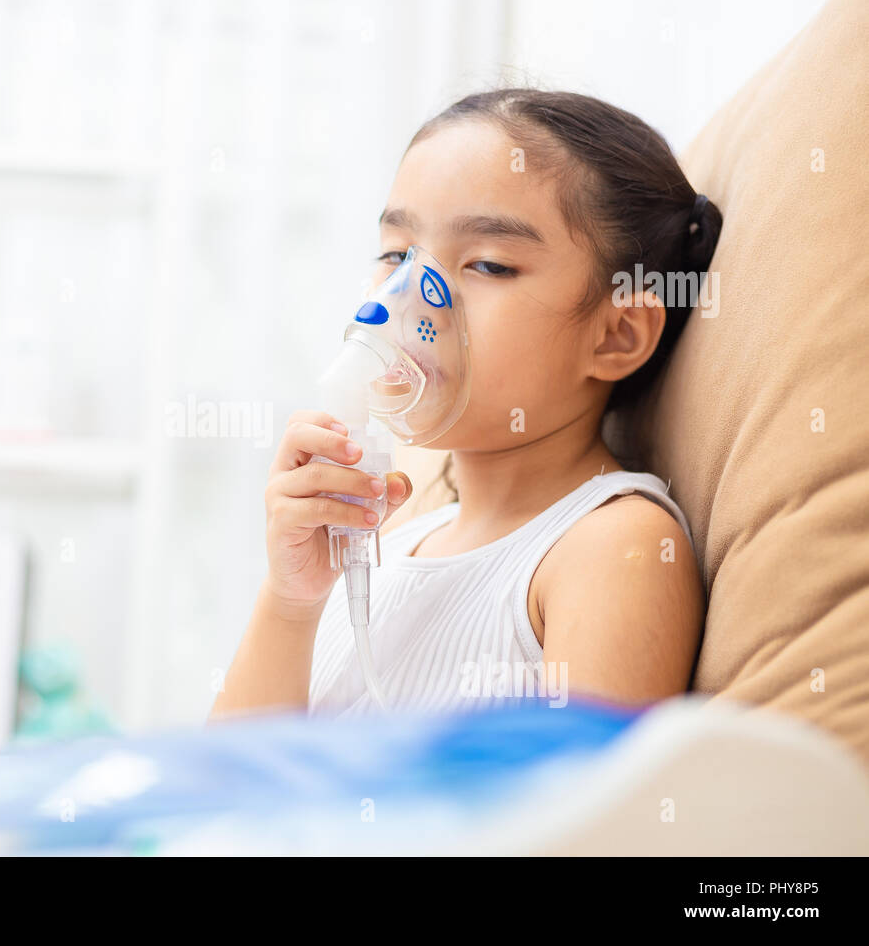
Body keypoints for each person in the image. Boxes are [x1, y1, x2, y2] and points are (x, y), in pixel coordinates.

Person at [212, 89, 718, 719]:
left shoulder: (613, 547)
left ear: (616, 334)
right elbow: (231, 781)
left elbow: (588, 815)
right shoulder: (394, 541)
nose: (409, 298)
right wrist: (291, 602)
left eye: (486, 264)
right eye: (397, 254)